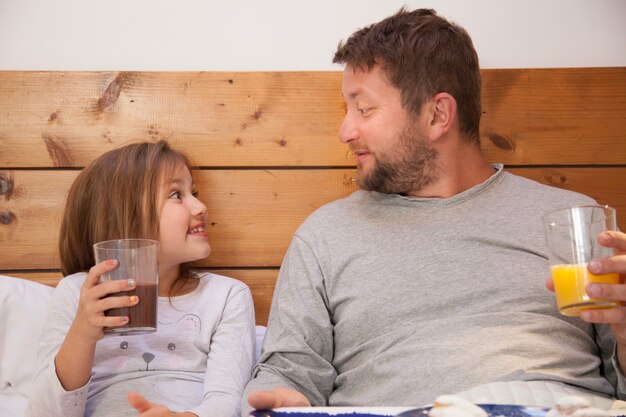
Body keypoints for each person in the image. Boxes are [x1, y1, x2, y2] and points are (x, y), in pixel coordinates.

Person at [242, 7, 626, 414]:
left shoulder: (574, 221)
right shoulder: (325, 236)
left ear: (437, 115)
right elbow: (289, 371)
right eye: (346, 110)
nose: (346, 132)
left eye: (364, 108)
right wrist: (282, 397)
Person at [27, 140, 256, 417]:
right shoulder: (77, 293)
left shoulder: (226, 296)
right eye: (176, 195)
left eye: (193, 192)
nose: (200, 206)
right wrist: (82, 335)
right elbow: (44, 413)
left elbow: (227, 400)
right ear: (125, 216)